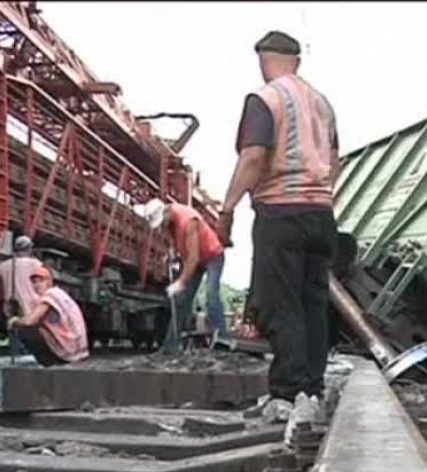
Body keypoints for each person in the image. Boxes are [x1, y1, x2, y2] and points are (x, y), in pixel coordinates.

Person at [218, 30, 340, 404]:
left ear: (263, 59)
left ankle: (287, 394)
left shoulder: (265, 98)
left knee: (281, 303)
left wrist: (227, 209)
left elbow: (254, 157)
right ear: (297, 62)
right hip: (321, 213)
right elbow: (335, 160)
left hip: (281, 213)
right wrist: (318, 192)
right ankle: (312, 388)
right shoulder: (322, 104)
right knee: (313, 303)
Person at [144, 198, 226, 351]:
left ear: (166, 211)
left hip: (213, 256)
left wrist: (180, 282)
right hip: (196, 261)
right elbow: (184, 248)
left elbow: (193, 258)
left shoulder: (188, 221)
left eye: (162, 222)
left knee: (211, 293)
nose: (162, 226)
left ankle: (222, 340)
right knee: (181, 301)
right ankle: (170, 347)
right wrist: (174, 255)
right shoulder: (171, 221)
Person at [7, 265, 90, 366]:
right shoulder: (59, 293)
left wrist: (13, 321)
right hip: (77, 347)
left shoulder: (51, 295)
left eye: (41, 281)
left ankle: (49, 364)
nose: (37, 285)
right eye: (34, 282)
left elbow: (29, 321)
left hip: (70, 348)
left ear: (49, 282)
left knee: (26, 330)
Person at [0, 235, 42, 318]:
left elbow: (0, 290)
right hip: (31, 308)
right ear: (29, 248)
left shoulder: (2, 266)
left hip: (10, 308)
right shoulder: (36, 264)